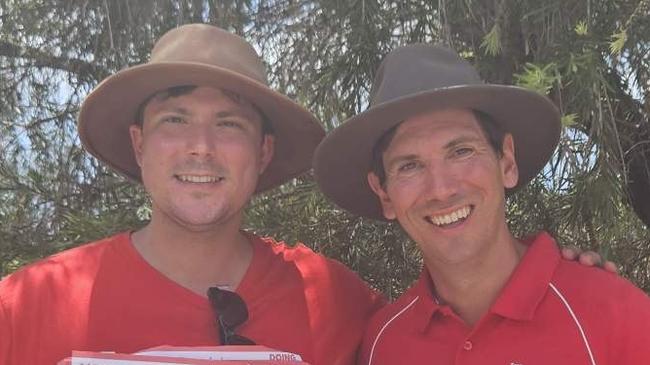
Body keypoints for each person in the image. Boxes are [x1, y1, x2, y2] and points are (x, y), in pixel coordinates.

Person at [0, 24, 384, 365]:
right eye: (175, 120)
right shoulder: (23, 309)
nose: (200, 147)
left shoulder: (338, 303)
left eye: (229, 124)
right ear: (139, 144)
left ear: (263, 152)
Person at [313, 44, 650, 364]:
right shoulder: (383, 345)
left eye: (461, 151)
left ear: (506, 162)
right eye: (409, 166)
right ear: (384, 193)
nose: (441, 190)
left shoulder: (614, 315)